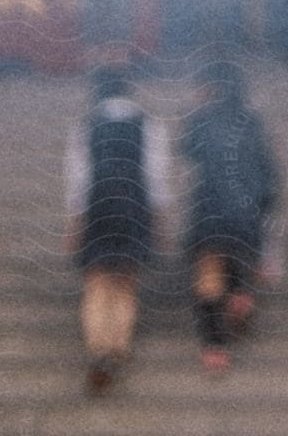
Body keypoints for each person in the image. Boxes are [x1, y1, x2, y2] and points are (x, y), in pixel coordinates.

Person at [64, 63, 172, 395]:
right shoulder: (148, 124)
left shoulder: (86, 125)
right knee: (126, 284)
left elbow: (77, 179)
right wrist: (159, 222)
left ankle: (98, 350)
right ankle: (118, 350)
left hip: (97, 206)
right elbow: (157, 177)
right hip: (134, 206)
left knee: (96, 283)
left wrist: (73, 226)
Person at [179, 57, 280, 371]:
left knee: (208, 277)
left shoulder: (202, 120)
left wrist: (197, 107)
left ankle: (215, 347)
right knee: (238, 258)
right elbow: (269, 174)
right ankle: (240, 295)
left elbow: (186, 149)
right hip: (248, 210)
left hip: (210, 209)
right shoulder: (252, 121)